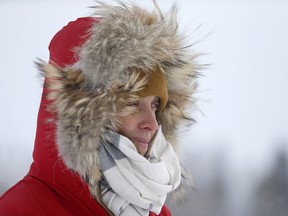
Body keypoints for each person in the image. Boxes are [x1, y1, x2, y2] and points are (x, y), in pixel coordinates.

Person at [0, 1, 200, 215]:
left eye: (155, 105)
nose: (151, 124)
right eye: (132, 103)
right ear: (83, 115)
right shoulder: (18, 210)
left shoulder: (156, 212)